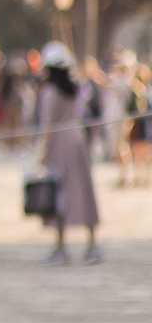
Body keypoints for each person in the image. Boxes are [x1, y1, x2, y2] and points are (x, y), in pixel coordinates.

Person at [36, 41, 101, 265]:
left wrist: (42, 154)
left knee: (59, 195)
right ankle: (92, 245)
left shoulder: (50, 92)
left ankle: (61, 247)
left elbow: (48, 126)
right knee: (84, 190)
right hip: (77, 139)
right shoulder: (76, 88)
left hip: (59, 143)